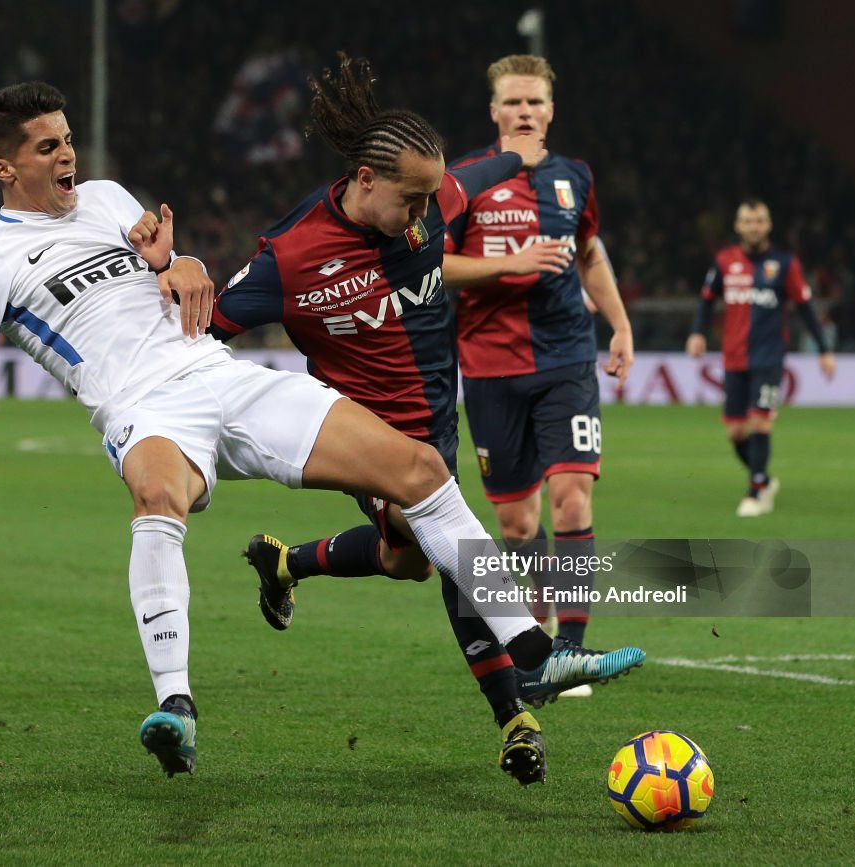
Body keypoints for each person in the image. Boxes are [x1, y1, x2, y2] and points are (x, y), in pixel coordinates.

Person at [0, 80, 609, 784]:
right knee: (158, 498)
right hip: (142, 408)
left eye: (68, 139)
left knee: (419, 470)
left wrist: (178, 260)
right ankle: (176, 704)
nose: (68, 156)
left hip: (218, 372)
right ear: (4, 167)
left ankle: (534, 647)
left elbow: (160, 272)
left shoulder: (104, 199)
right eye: (47, 147)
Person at [209, 53, 645, 784]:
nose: (424, 219)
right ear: (365, 180)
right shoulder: (290, 260)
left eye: (428, 201)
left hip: (439, 418)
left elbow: (481, 174)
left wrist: (516, 143)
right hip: (368, 438)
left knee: (407, 558)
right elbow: (200, 331)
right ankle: (519, 705)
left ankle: (287, 562)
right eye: (411, 202)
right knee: (442, 530)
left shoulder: (435, 196)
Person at [441, 54, 635, 684]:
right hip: (490, 366)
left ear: (550, 111)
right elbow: (435, 265)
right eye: (513, 103)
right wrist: (511, 261)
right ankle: (541, 631)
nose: (525, 112)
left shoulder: (574, 177)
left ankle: (571, 648)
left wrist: (621, 324)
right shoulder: (463, 179)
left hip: (566, 359)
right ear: (494, 111)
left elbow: (588, 255)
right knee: (517, 521)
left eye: (535, 103)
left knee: (571, 498)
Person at [686, 198, 835, 516]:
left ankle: (755, 492)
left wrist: (824, 350)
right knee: (736, 432)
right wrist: (697, 332)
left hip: (768, 356)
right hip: (733, 358)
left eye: (759, 221)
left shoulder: (784, 262)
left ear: (768, 225)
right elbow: (706, 301)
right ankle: (765, 478)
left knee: (760, 422)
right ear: (739, 226)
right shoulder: (725, 260)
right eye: (748, 221)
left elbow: (805, 308)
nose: (754, 227)